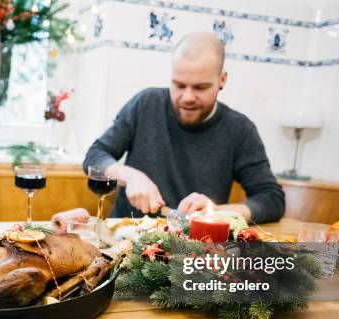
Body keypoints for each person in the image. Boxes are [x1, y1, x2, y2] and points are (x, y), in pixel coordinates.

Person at [82, 32, 285, 223]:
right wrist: (130, 175)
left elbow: (272, 199)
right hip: (123, 239)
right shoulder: (146, 103)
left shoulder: (240, 129)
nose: (187, 97)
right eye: (179, 85)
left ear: (222, 79)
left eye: (200, 87)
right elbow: (95, 156)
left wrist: (216, 212)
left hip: (191, 250)